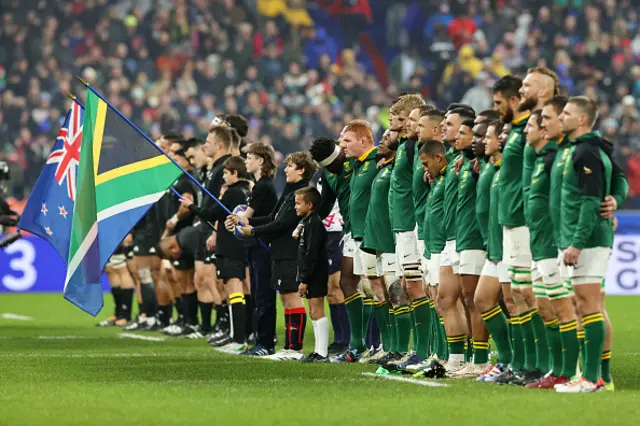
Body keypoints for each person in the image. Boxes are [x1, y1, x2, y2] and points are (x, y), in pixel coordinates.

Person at [556, 96, 628, 393]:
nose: (562, 117)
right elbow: (620, 177)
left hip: (587, 239)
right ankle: (597, 377)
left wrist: (576, 242)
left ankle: (592, 378)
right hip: (582, 236)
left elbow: (588, 203)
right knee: (586, 305)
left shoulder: (587, 151)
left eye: (567, 113)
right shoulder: (587, 148)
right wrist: (617, 198)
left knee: (589, 306)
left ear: (582, 120)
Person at [229, 152, 317, 361]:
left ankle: (295, 349)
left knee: (292, 296)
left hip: (291, 250)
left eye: (290, 166)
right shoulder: (289, 191)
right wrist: (245, 222)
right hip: (280, 250)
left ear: (301, 170)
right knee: (286, 297)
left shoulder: (303, 193)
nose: (285, 170)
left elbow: (283, 223)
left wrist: (253, 230)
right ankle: (288, 346)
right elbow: (273, 217)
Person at [181, 156, 251, 353]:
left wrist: (191, 206)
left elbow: (210, 214)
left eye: (226, 173)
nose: (224, 177)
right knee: (237, 291)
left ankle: (238, 339)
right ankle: (238, 336)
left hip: (229, 246)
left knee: (233, 290)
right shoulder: (248, 191)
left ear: (235, 173)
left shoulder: (233, 193)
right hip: (240, 246)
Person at [474, 119, 514, 382]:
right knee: (483, 299)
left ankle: (520, 363)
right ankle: (508, 359)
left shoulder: (509, 168)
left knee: (515, 305)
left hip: (511, 245)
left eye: (488, 136)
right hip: (495, 248)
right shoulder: (493, 167)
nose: (485, 141)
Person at [359, 129, 399, 364]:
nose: (381, 141)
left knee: (396, 292)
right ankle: (388, 345)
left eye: (386, 137)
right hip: (374, 239)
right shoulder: (383, 167)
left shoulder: (396, 168)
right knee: (375, 289)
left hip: (391, 239)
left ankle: (400, 347)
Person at [241, 142, 279, 357]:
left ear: (260, 161)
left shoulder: (263, 186)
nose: (246, 161)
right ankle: (261, 339)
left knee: (263, 295)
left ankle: (265, 342)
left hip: (263, 246)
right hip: (255, 245)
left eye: (249, 157)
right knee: (258, 294)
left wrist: (239, 220)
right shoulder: (259, 185)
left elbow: (248, 217)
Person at [294, 186, 330, 363]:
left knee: (317, 311)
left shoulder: (314, 223)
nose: (295, 207)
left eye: (298, 203)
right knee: (313, 312)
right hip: (310, 273)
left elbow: (312, 254)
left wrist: (305, 279)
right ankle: (317, 351)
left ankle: (322, 353)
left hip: (316, 274)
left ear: (309, 204)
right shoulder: (307, 222)